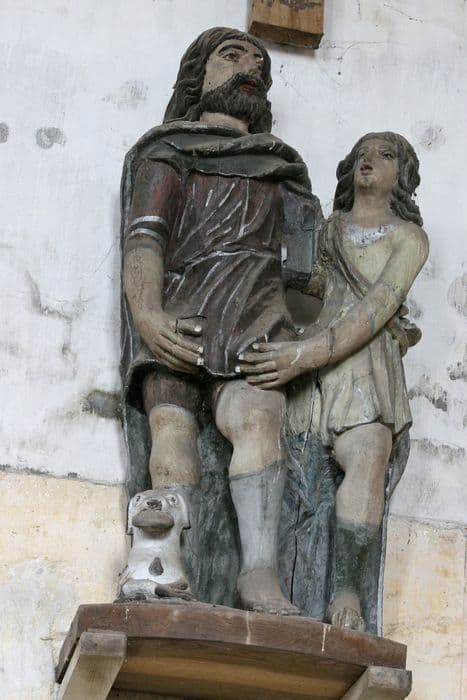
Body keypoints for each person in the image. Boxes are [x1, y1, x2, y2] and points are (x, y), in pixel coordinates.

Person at [120, 27, 320, 614]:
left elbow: (310, 270)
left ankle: (258, 574)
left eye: (259, 63)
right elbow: (145, 239)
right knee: (171, 427)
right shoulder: (169, 151)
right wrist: (148, 315)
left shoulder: (281, 170)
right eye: (232, 56)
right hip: (180, 316)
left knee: (257, 420)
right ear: (198, 76)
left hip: (255, 317)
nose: (249, 67)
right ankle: (166, 564)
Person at [240, 132, 429, 629]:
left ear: (402, 175)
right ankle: (273, 582)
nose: (369, 160)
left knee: (368, 453)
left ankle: (346, 590)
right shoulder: (328, 230)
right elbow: (316, 283)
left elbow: (377, 308)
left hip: (364, 364)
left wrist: (302, 355)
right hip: (313, 368)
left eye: (385, 154)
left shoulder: (408, 238)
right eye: (361, 153)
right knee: (291, 472)